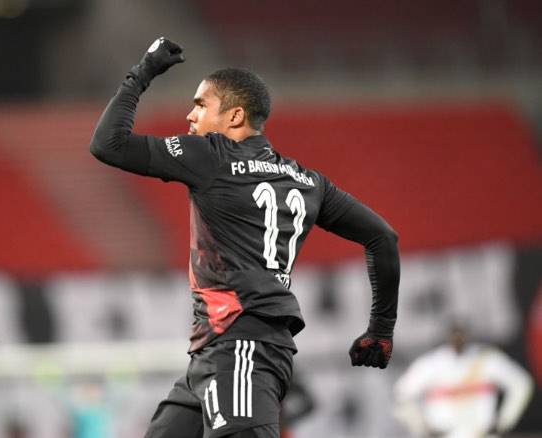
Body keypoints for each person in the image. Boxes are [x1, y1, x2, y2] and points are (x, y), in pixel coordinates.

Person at [89, 37, 400, 438]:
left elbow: (108, 143)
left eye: (201, 105)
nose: (190, 115)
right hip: (220, 351)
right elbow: (382, 238)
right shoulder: (308, 181)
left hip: (241, 349)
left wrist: (143, 71)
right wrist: (381, 329)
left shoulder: (212, 156)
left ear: (234, 116)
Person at [394, 322, 533, 438]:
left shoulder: (485, 359)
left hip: (482, 433)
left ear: (468, 335)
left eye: (461, 334)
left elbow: (521, 383)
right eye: (454, 334)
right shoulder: (432, 363)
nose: (458, 339)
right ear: (447, 336)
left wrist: (504, 421)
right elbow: (401, 395)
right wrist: (422, 427)